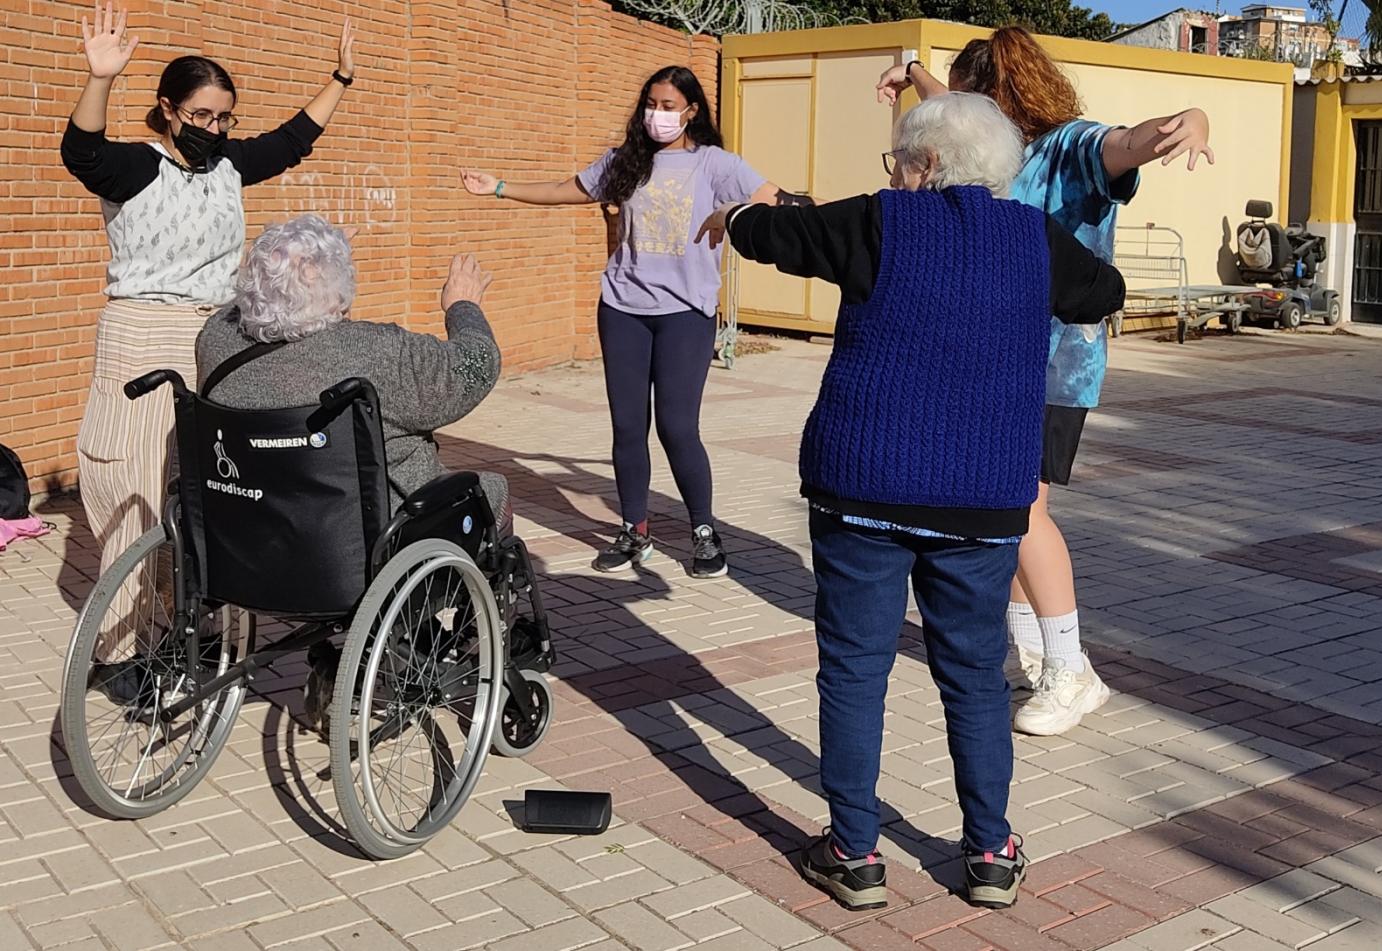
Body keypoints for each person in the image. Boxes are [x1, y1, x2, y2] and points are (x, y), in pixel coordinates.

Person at [696, 93, 1125, 911]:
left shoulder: (880, 221)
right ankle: (991, 852)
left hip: (863, 489)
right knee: (972, 675)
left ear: (925, 165)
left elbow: (774, 237)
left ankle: (854, 854)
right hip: (983, 500)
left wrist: (738, 215)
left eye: (898, 160)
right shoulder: (1032, 238)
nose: (891, 173)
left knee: (855, 669)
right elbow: (1102, 290)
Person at [875, 27, 1215, 735]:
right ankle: (1033, 656)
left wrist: (1183, 126)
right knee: (1004, 513)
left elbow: (1123, 144)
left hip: (1057, 365)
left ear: (1002, 92)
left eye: (968, 98)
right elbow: (943, 96)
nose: (957, 113)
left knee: (1025, 513)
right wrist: (912, 71)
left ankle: (1073, 673)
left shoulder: (1067, 145)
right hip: (997, 357)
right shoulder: (1000, 141)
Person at [60, 2, 356, 659]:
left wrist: (339, 79)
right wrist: (101, 78)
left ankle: (190, 622)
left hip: (217, 340)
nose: (215, 128)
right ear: (168, 109)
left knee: (208, 491)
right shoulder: (137, 166)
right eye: (201, 116)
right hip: (142, 331)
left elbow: (290, 141)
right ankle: (119, 653)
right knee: (134, 489)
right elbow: (81, 150)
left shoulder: (226, 168)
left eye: (225, 117)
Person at [460, 65, 790, 579]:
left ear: (691, 111)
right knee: (627, 427)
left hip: (685, 313)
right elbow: (569, 188)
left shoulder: (713, 165)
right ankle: (635, 530)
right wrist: (500, 187)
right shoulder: (625, 162)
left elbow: (773, 196)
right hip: (623, 309)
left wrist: (735, 212)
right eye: (650, 104)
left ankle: (703, 530)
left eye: (667, 106)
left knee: (678, 427)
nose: (657, 115)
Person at [196, 214, 509, 523]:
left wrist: (303, 264)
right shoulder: (379, 354)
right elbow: (477, 363)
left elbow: (241, 305)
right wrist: (463, 305)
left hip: (250, 525)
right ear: (340, 298)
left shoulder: (216, 338)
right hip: (371, 532)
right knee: (494, 492)